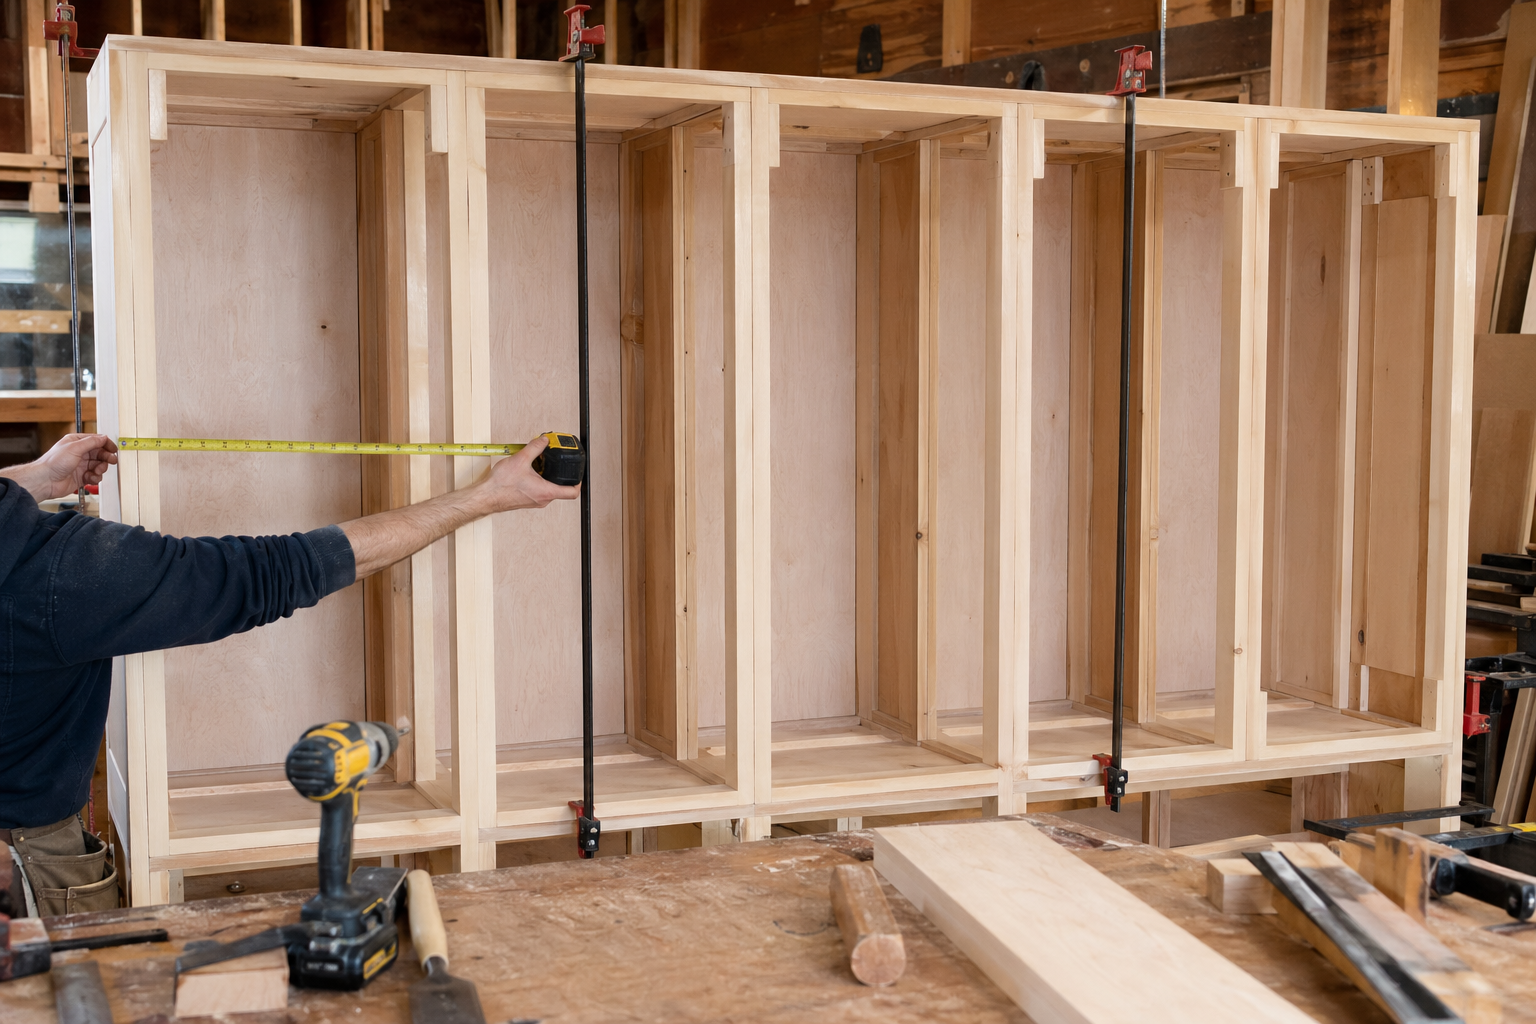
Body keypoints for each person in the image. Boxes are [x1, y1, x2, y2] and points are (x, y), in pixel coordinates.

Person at [0, 432, 578, 915]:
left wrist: (31, 479)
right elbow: (274, 571)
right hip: (21, 858)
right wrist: (489, 496)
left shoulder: (57, 570)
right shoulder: (63, 574)